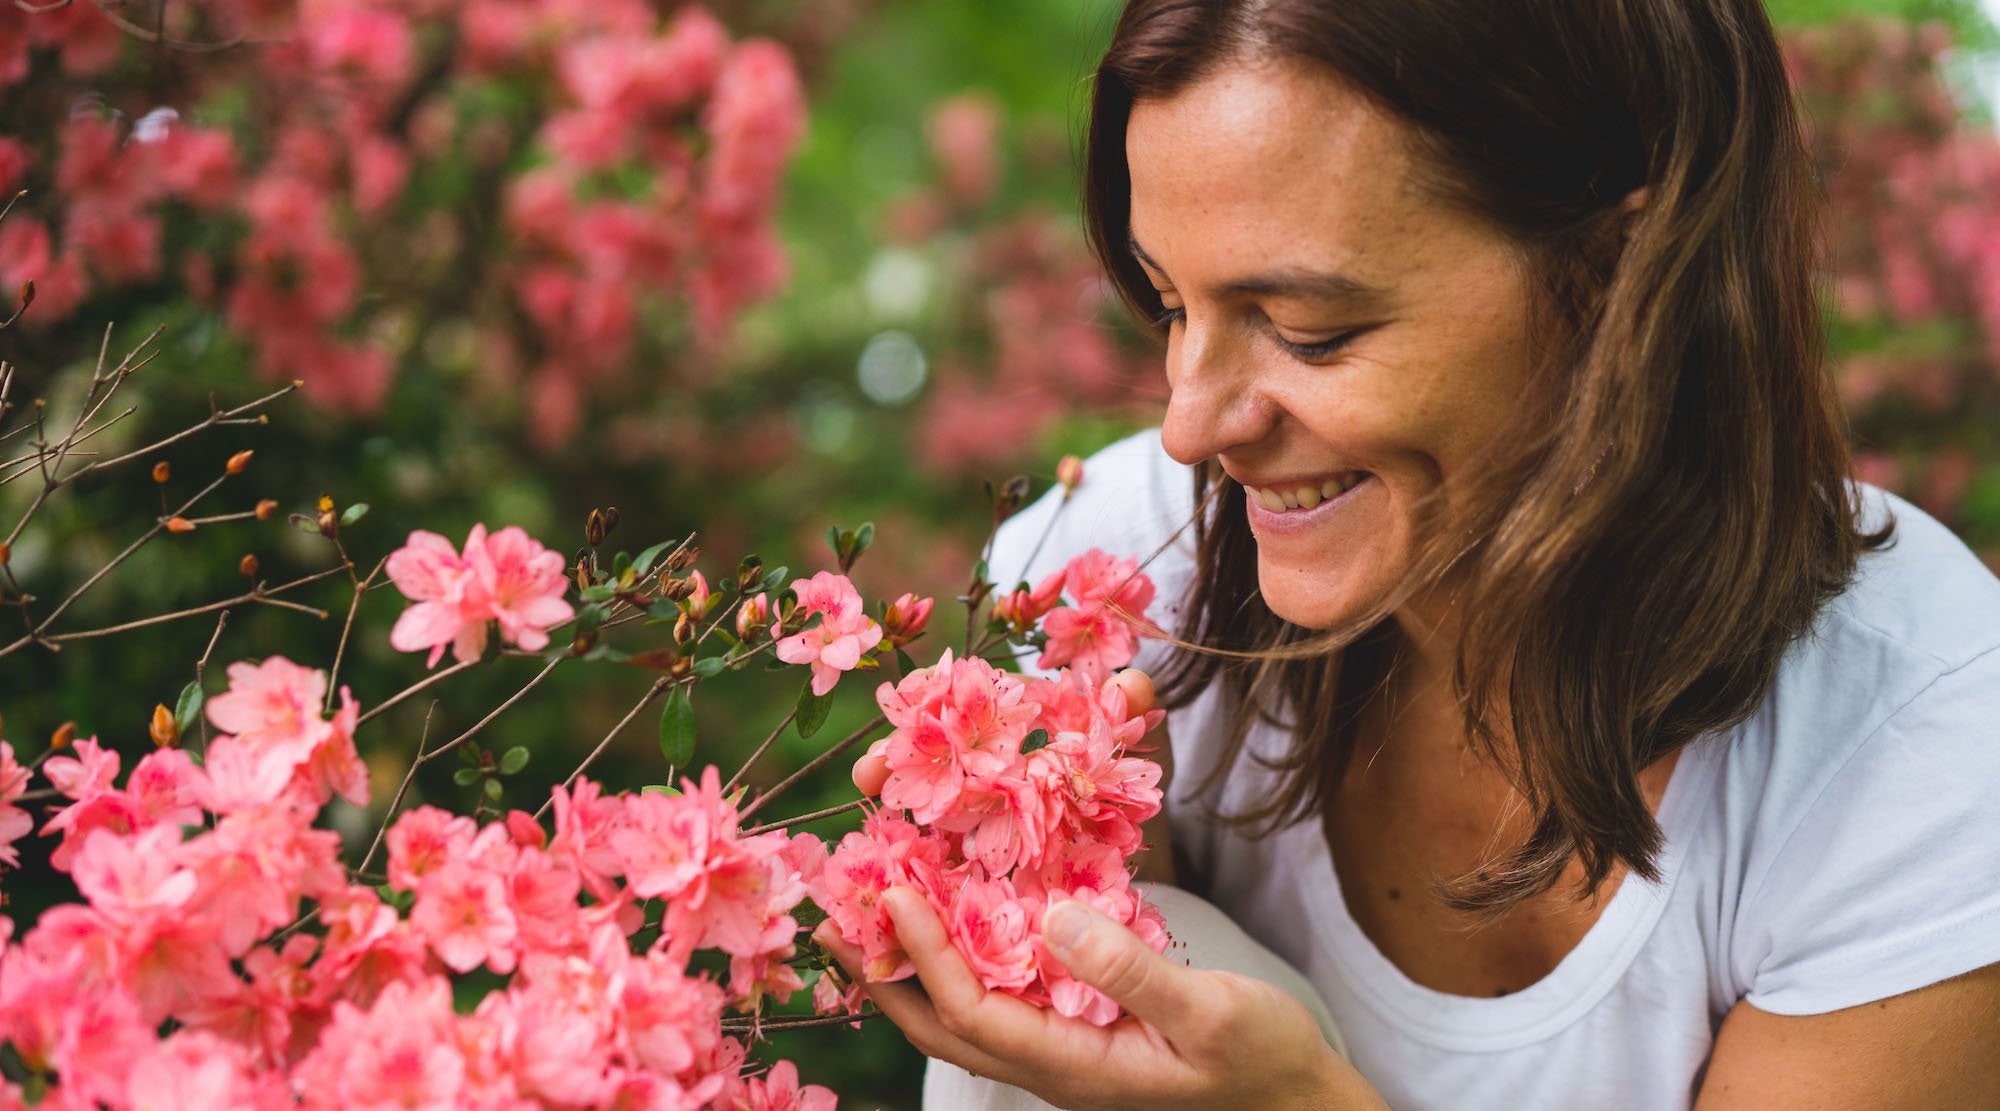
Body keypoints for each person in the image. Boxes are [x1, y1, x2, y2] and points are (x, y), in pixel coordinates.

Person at [814, 1, 2000, 1107]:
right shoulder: (1118, 581)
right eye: (1171, 306)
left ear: (1616, 279)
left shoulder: (1920, 739)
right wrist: (1103, 862)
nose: (1189, 424)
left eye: (1308, 331)